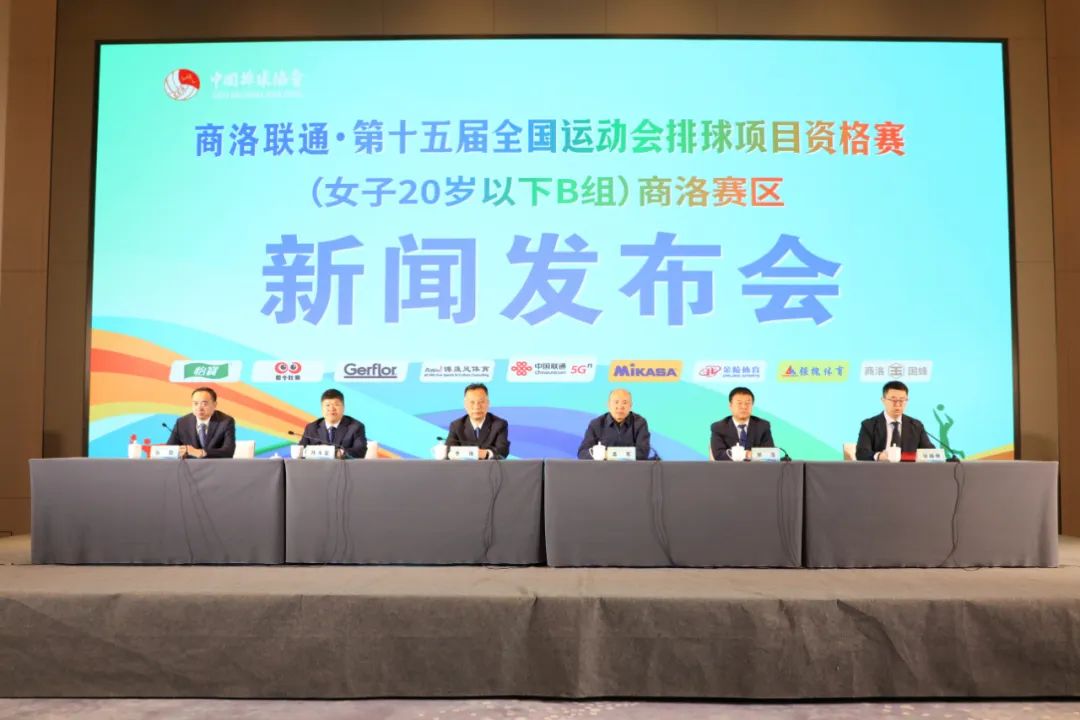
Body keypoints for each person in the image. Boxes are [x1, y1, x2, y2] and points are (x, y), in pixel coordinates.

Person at [856, 380, 935, 461]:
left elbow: (929, 452)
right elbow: (861, 453)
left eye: (902, 400)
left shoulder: (916, 425)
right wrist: (879, 456)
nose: (897, 404)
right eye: (893, 400)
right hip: (879, 467)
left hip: (909, 468)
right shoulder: (869, 425)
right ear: (883, 400)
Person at [577, 388, 652, 460]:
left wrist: (608, 454)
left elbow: (643, 452)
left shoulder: (639, 423)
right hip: (604, 468)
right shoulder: (596, 424)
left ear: (630, 406)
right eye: (616, 402)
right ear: (608, 405)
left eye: (624, 402)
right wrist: (597, 454)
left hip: (631, 467)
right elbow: (582, 452)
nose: (620, 407)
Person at [167, 386, 236, 459]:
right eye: (196, 403)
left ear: (214, 405)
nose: (199, 408)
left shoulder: (225, 422)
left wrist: (202, 452)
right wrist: (179, 452)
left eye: (204, 404)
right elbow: (169, 450)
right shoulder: (182, 422)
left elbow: (228, 452)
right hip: (189, 465)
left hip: (215, 465)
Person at [445, 383, 510, 459]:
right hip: (465, 466)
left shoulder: (499, 424)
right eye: (472, 402)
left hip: (490, 466)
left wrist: (486, 454)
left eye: (481, 402)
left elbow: (503, 451)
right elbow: (449, 451)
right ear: (465, 404)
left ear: (488, 403)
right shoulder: (456, 426)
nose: (476, 406)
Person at [299, 388, 368, 459]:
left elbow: (360, 451)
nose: (331, 409)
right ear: (322, 408)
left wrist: (336, 453)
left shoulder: (356, 427)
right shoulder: (311, 428)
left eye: (336, 404)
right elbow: (301, 452)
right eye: (327, 405)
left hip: (344, 466)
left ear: (343, 407)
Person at [710, 386, 775, 461]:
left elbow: (770, 454)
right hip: (729, 468)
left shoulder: (763, 426)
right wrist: (746, 454)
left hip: (756, 467)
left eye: (747, 403)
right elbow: (719, 455)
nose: (744, 407)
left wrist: (748, 455)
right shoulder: (719, 427)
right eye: (739, 403)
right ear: (730, 406)